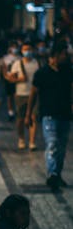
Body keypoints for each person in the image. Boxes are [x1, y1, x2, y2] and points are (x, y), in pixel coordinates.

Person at [25, 38, 73, 191]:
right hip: (48, 115)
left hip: (65, 115)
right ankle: (52, 174)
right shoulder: (42, 73)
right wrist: (28, 114)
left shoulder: (68, 71)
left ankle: (57, 174)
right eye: (64, 54)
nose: (67, 57)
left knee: (61, 146)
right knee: (52, 144)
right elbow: (33, 94)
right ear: (56, 55)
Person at [8, 41, 39, 150]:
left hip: (34, 94)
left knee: (34, 117)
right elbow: (11, 79)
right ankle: (21, 138)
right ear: (22, 51)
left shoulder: (37, 63)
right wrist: (18, 79)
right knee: (20, 118)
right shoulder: (17, 64)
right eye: (25, 49)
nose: (27, 51)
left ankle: (32, 141)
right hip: (21, 93)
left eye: (29, 49)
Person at [3, 41, 21, 119]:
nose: (14, 49)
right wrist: (6, 77)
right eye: (13, 47)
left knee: (16, 95)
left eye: (16, 47)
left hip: (18, 79)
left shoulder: (20, 58)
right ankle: (10, 111)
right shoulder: (6, 58)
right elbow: (4, 69)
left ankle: (17, 110)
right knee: (9, 96)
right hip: (9, 79)